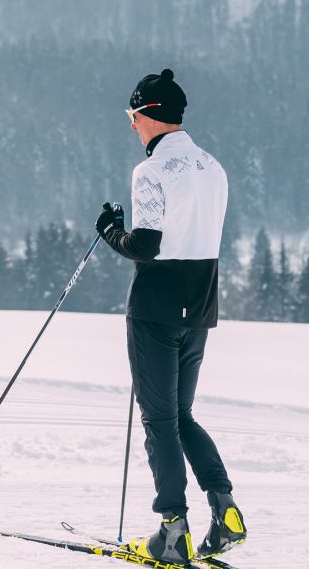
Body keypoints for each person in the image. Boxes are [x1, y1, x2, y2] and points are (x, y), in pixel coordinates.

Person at [96, 68, 247, 562]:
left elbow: (145, 246)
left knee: (159, 420)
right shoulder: (214, 168)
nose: (131, 125)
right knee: (181, 416)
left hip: (156, 308)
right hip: (200, 304)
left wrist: (110, 231)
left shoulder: (151, 172)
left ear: (151, 115)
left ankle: (173, 531)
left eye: (133, 115)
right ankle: (224, 510)